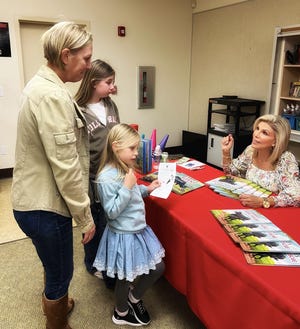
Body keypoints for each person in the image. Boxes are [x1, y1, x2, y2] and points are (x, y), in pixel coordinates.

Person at [11, 21, 96, 329]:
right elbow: (66, 166)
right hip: (44, 205)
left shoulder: (42, 85)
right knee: (61, 273)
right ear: (65, 56)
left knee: (52, 262)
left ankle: (55, 302)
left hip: (30, 199)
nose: (88, 66)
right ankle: (56, 323)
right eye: (85, 58)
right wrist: (84, 216)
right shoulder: (52, 96)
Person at [93, 123, 165, 326]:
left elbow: (131, 194)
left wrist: (146, 189)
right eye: (132, 149)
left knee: (158, 267)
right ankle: (121, 312)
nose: (136, 153)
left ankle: (134, 298)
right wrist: (127, 186)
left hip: (138, 230)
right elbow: (112, 212)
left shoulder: (125, 168)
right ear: (116, 147)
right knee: (124, 278)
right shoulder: (105, 178)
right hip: (123, 234)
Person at [75, 59, 120, 288]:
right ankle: (92, 262)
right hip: (91, 177)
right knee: (93, 221)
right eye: (109, 82)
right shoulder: (78, 110)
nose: (113, 86)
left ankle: (108, 261)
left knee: (109, 219)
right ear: (93, 83)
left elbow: (118, 135)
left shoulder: (110, 105)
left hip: (112, 173)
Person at [221, 114, 300, 208]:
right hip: (247, 205)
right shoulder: (251, 150)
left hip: (273, 212)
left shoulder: (286, 159)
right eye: (257, 128)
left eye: (264, 133)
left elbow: (296, 197)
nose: (256, 134)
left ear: (276, 141)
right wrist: (226, 152)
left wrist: (263, 201)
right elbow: (231, 173)